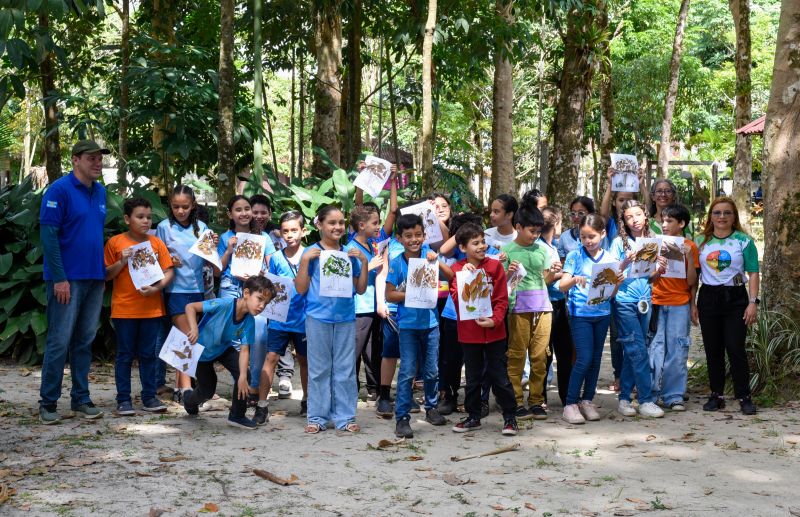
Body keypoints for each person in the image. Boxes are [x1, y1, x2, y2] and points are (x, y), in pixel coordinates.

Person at [38, 140, 110, 424]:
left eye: (100, 159)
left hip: (93, 278)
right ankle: (48, 402)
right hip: (67, 280)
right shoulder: (58, 190)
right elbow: (49, 237)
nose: (97, 163)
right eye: (91, 158)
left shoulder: (101, 192)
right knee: (59, 340)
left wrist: (102, 274)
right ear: (75, 160)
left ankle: (81, 398)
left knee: (84, 340)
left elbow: (94, 236)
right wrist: (59, 278)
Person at [295, 205, 368, 434]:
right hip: (317, 318)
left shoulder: (350, 253)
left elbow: (361, 289)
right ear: (319, 224)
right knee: (319, 369)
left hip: (346, 318)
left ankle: (345, 417)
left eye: (341, 223)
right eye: (331, 223)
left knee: (345, 369)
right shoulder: (311, 253)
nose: (337, 227)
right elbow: (300, 289)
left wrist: (364, 262)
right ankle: (316, 417)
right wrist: (305, 261)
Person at [104, 197, 175, 415]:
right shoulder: (115, 243)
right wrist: (122, 261)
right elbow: (106, 275)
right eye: (140, 217)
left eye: (148, 217)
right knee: (124, 355)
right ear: (127, 219)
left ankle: (149, 397)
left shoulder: (155, 243)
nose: (145, 221)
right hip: (124, 309)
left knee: (148, 355)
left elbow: (169, 270)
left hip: (152, 309)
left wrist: (157, 288)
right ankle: (123, 400)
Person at [386, 214, 453, 438]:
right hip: (407, 326)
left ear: (424, 236)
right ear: (399, 238)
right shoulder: (396, 262)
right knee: (406, 371)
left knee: (432, 370)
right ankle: (402, 417)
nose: (414, 239)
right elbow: (389, 294)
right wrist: (409, 293)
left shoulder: (430, 257)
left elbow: (451, 277)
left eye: (418, 235)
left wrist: (438, 260)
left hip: (431, 324)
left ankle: (431, 408)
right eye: (408, 236)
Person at [449, 223, 518, 436]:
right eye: (475, 243)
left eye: (483, 242)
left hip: (495, 333)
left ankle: (510, 418)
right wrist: (466, 279)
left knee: (500, 377)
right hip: (469, 335)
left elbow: (501, 299)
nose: (481, 246)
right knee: (472, 378)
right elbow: (456, 298)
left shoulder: (495, 266)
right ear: (462, 248)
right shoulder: (457, 269)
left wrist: (495, 320)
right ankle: (473, 416)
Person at [183, 276, 276, 429]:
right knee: (207, 391)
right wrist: (193, 328)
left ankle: (237, 416)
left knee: (244, 376)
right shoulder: (223, 304)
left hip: (223, 348)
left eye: (265, 303)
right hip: (201, 353)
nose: (261, 306)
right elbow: (190, 307)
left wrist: (242, 376)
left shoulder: (249, 321)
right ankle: (188, 400)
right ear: (246, 293)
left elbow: (245, 350)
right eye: (259, 299)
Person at [695, 197, 759, 415]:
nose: (722, 217)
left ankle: (744, 396)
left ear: (734, 217)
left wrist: (752, 303)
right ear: (710, 216)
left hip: (735, 297)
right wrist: (693, 302)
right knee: (713, 349)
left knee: (735, 348)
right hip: (708, 297)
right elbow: (694, 275)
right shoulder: (700, 242)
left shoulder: (744, 241)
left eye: (727, 213)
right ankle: (717, 395)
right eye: (717, 213)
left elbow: (753, 273)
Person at [560, 214, 622, 425]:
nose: (588, 241)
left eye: (592, 236)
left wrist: (618, 283)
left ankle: (587, 400)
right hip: (580, 315)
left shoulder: (609, 260)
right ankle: (570, 403)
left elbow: (611, 294)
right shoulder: (575, 256)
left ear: (603, 234)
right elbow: (562, 285)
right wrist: (574, 279)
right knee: (584, 358)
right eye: (583, 236)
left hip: (602, 314)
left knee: (595, 360)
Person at [156, 185, 214, 401]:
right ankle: (186, 389)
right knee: (187, 338)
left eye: (185, 207)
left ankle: (181, 387)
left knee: (187, 339)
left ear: (193, 206)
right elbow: (156, 256)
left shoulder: (202, 227)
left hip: (198, 289)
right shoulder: (163, 227)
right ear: (170, 206)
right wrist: (168, 261)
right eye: (176, 207)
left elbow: (211, 261)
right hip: (175, 290)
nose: (180, 211)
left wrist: (215, 247)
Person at [609, 200, 665, 419]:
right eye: (629, 217)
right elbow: (611, 275)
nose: (634, 220)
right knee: (638, 350)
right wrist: (624, 262)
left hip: (645, 299)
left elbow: (650, 276)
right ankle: (645, 400)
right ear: (623, 220)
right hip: (623, 301)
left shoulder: (652, 241)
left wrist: (660, 269)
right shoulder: (616, 243)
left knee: (635, 351)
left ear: (645, 216)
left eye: (638, 215)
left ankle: (624, 399)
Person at [502, 199, 555, 420]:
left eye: (538, 231)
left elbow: (546, 280)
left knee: (540, 356)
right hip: (517, 309)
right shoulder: (507, 251)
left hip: (543, 307)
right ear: (518, 227)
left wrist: (553, 272)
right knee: (515, 356)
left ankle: (536, 401)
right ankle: (515, 401)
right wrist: (508, 271)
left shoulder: (543, 250)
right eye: (531, 231)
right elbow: (502, 285)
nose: (535, 235)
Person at [257, 211, 309, 424]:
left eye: (294, 230)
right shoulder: (277, 258)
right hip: (279, 318)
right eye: (286, 231)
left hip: (304, 318)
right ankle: (262, 405)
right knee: (271, 358)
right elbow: (272, 286)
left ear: (303, 231)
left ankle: (308, 400)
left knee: (305, 361)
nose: (289, 235)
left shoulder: (310, 255)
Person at [649, 204, 699, 411]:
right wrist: (658, 269)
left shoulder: (690, 246)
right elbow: (648, 277)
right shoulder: (653, 244)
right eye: (663, 220)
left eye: (670, 221)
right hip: (656, 301)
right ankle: (650, 393)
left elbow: (691, 283)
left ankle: (674, 395)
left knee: (678, 348)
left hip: (680, 303)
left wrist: (687, 256)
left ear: (682, 224)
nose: (665, 224)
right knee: (655, 348)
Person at [250, 194, 294, 399]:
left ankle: (284, 377)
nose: (259, 216)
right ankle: (252, 381)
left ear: (270, 214)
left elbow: (272, 267)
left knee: (277, 332)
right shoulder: (235, 235)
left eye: (263, 213)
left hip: (274, 294)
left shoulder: (274, 235)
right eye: (255, 212)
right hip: (248, 291)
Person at [348, 205, 386, 401]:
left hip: (373, 305)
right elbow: (348, 279)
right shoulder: (350, 249)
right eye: (375, 223)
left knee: (373, 350)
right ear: (361, 225)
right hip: (359, 307)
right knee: (354, 350)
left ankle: (374, 388)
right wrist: (369, 265)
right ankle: (350, 388)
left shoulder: (372, 245)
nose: (378, 226)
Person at [538, 206, 573, 406]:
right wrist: (565, 273)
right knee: (547, 353)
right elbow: (544, 278)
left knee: (564, 352)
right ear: (557, 224)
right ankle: (540, 396)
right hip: (547, 304)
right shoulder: (541, 248)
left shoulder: (551, 246)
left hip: (560, 303)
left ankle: (566, 395)